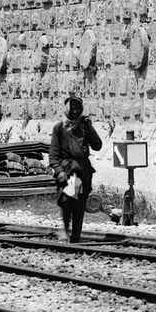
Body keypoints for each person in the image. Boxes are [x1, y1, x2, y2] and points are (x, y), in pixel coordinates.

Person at [49, 94, 103, 242]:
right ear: (67, 108)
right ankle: (66, 229)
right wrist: (59, 171)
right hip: (68, 170)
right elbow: (53, 154)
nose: (75, 110)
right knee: (68, 201)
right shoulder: (60, 128)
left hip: (83, 170)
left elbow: (97, 146)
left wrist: (90, 128)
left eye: (78, 107)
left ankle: (76, 235)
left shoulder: (84, 126)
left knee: (80, 203)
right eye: (72, 107)